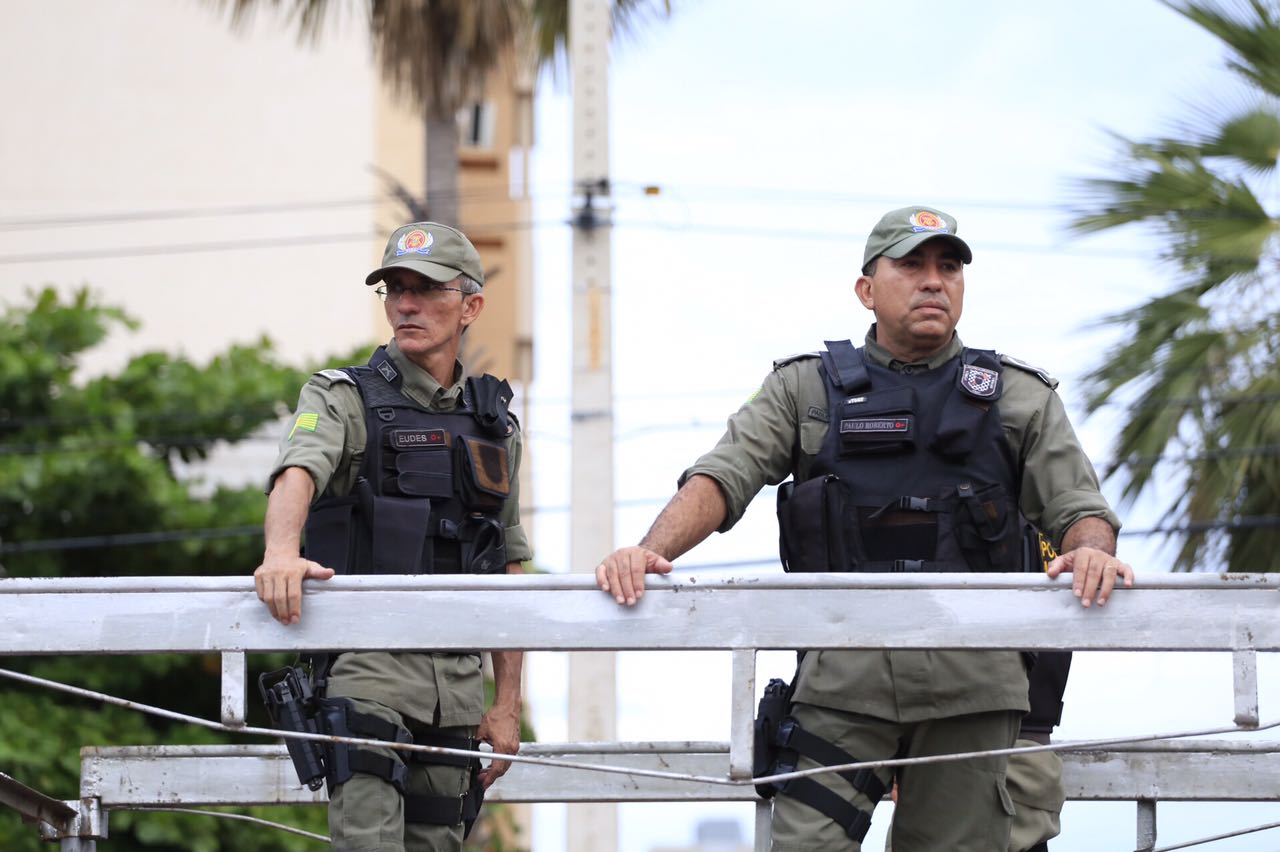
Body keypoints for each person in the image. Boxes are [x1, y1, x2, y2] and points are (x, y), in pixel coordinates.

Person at [595, 205, 1133, 851]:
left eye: (949, 267)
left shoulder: (1018, 396)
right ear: (867, 290)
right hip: (842, 683)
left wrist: (1093, 553)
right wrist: (649, 552)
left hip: (973, 688)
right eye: (912, 265)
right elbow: (722, 477)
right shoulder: (804, 389)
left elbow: (1080, 508)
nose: (934, 281)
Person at [253, 221, 531, 852]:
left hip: (457, 689)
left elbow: (509, 562)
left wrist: (507, 701)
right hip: (368, 670)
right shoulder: (343, 396)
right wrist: (280, 555)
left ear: (470, 306)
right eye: (395, 289)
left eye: (426, 290)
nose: (406, 305)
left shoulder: (497, 426)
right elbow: (297, 471)